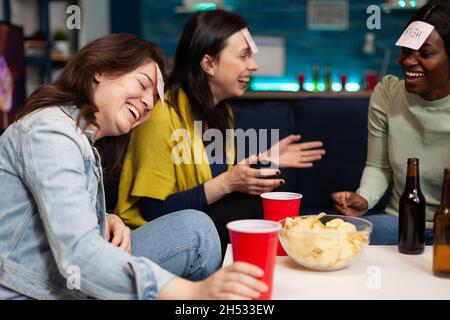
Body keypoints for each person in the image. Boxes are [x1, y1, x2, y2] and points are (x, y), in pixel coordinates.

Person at [0, 34, 269, 300]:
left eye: (154, 99)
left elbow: (54, 209)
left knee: (197, 227)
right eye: (142, 84)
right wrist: (195, 292)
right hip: (30, 291)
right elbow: (79, 255)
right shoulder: (51, 132)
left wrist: (103, 217)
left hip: (59, 281)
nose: (148, 104)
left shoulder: (79, 139)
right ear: (100, 72)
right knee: (198, 232)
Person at [116, 10, 325, 247]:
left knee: (265, 197)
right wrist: (228, 183)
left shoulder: (221, 113)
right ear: (209, 63)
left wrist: (267, 159)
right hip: (158, 232)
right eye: (244, 56)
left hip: (198, 220)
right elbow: (154, 210)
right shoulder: (161, 115)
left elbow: (217, 186)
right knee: (256, 209)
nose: (254, 65)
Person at [331, 0, 450, 245]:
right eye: (406, 50)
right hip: (401, 220)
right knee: (336, 236)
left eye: (425, 53)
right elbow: (379, 166)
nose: (408, 61)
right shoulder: (387, 94)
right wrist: (363, 199)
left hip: (446, 226)